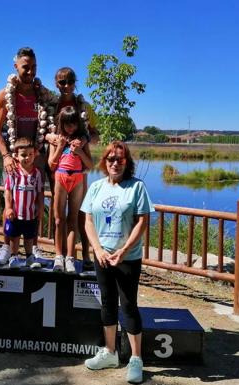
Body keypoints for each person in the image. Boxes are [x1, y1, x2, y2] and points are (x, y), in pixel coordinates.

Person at [81, 141, 152, 384]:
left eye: (120, 159)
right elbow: (88, 220)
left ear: (127, 163)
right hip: (102, 256)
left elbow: (142, 222)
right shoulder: (96, 186)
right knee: (107, 303)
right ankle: (110, 352)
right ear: (104, 162)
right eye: (110, 158)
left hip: (127, 257)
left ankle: (135, 358)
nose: (114, 163)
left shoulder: (136, 187)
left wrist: (123, 250)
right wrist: (97, 249)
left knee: (128, 305)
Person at [0, 47, 50, 264]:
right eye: (26, 67)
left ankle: (33, 249)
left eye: (34, 67)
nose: (30, 72)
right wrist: (6, 155)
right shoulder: (5, 94)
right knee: (10, 203)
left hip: (36, 157)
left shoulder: (41, 94)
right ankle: (7, 247)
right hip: (13, 158)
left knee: (35, 203)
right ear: (15, 66)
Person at [50, 67, 100, 270]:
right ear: (56, 84)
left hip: (78, 170)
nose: (66, 86)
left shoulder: (84, 107)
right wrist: (52, 139)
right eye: (62, 82)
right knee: (58, 217)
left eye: (70, 82)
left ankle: (82, 256)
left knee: (79, 214)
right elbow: (43, 130)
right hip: (58, 167)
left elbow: (96, 135)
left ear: (75, 82)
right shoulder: (51, 103)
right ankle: (58, 256)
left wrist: (84, 142)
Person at [48, 106, 93, 273]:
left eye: (73, 124)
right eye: (67, 124)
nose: (70, 127)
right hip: (60, 177)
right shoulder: (56, 139)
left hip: (77, 179)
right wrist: (60, 147)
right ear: (62, 123)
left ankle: (70, 258)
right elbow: (51, 165)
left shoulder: (82, 140)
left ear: (77, 124)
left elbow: (90, 165)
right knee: (59, 220)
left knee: (72, 219)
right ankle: (59, 256)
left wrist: (80, 151)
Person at [3, 137, 44, 268]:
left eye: (30, 154)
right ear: (16, 156)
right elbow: (8, 191)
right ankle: (14, 257)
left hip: (30, 214)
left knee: (29, 238)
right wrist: (8, 207)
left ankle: (29, 257)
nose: (27, 158)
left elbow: (39, 192)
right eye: (23, 155)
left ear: (35, 154)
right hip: (16, 213)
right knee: (14, 237)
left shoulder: (37, 173)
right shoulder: (14, 172)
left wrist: (40, 207)